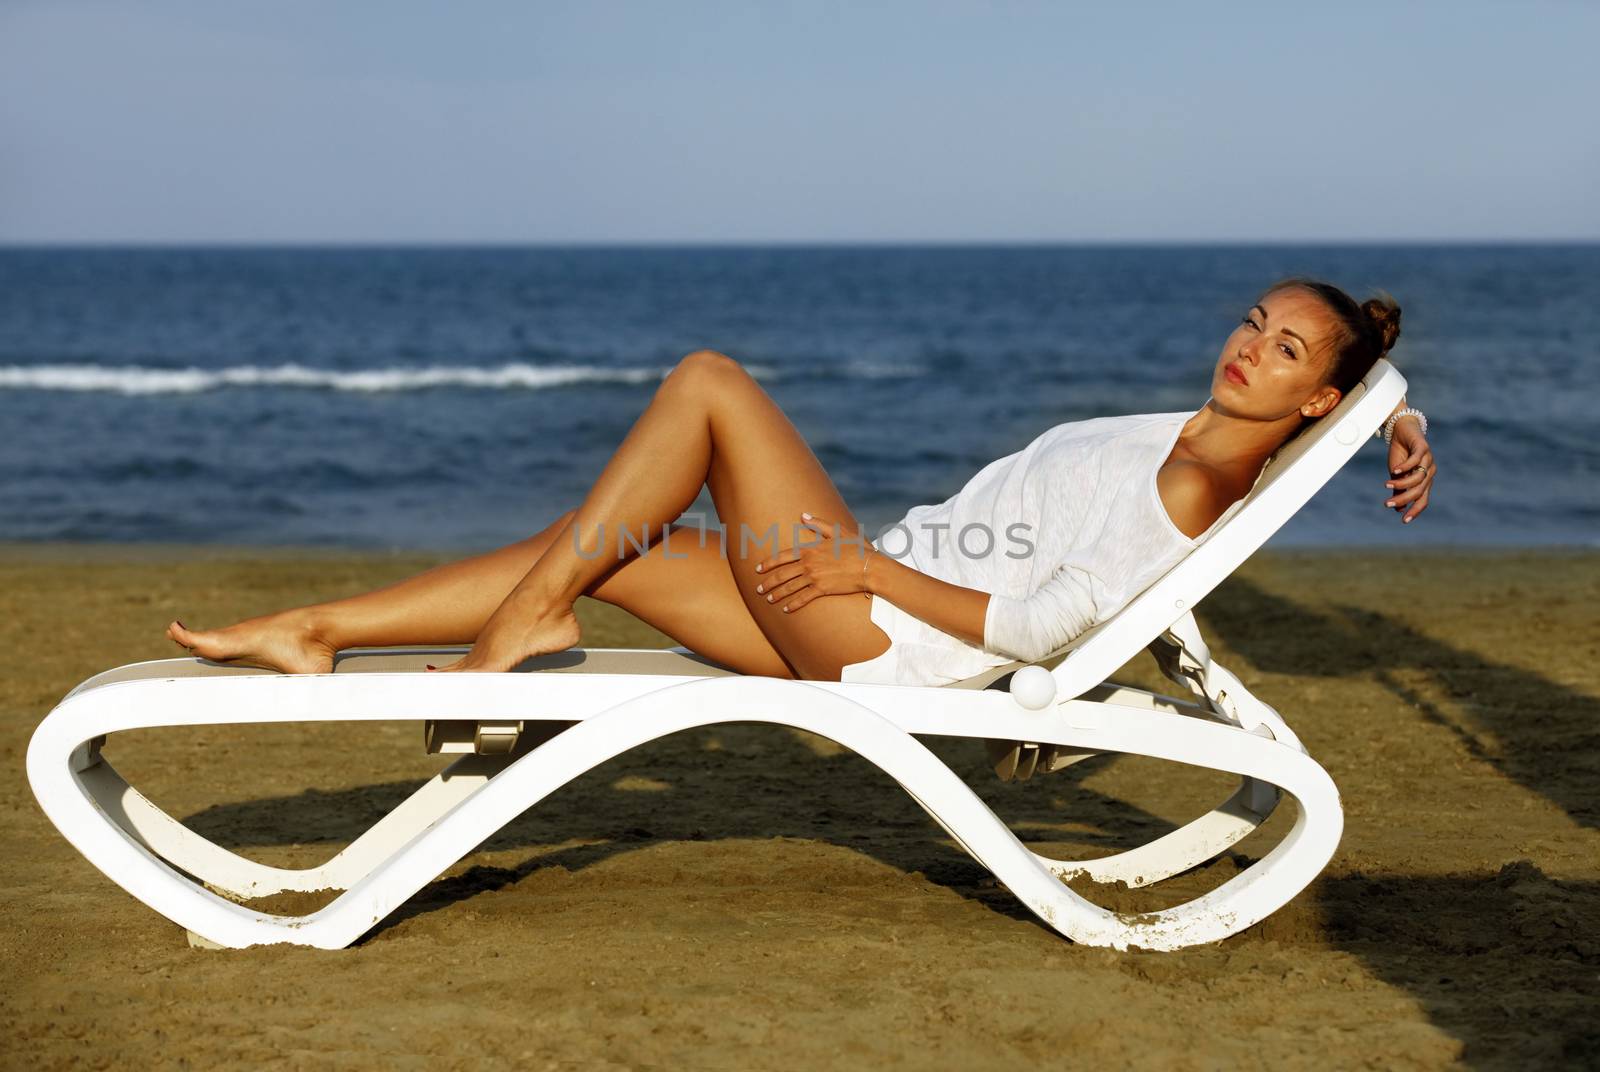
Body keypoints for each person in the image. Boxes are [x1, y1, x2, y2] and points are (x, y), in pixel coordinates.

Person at [167, 276, 1435, 687]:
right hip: (855, 605)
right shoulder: (1199, 428)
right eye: (1252, 322)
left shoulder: (1198, 491)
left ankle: (519, 630)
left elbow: (1051, 628)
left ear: (1308, 395)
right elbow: (1340, 402)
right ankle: (316, 629)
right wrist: (1390, 412)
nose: (1245, 348)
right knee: (603, 538)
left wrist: (869, 567)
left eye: (1283, 352)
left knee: (711, 381)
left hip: (874, 620)